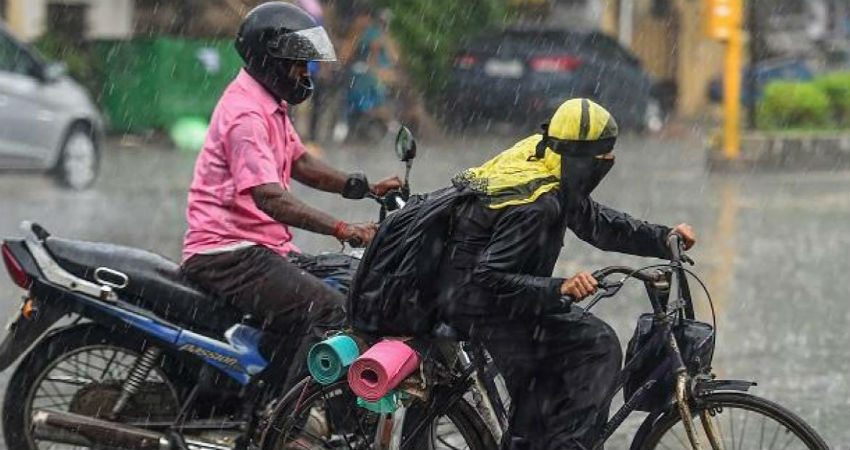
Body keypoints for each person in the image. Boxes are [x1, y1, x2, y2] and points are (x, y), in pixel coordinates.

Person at [438, 98, 697, 450]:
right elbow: (489, 277)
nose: (610, 162)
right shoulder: (539, 204)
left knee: (567, 363)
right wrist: (560, 286)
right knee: (595, 347)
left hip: (504, 295)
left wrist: (663, 238)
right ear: (585, 160)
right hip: (480, 302)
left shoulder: (550, 159)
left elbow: (595, 222)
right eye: (604, 157)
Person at [180, 2, 400, 389]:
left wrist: (363, 187)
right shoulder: (246, 115)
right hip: (227, 254)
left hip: (260, 248)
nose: (305, 72)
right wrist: (342, 228)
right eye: (298, 63)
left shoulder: (269, 103)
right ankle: (291, 423)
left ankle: (267, 393)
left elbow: (300, 163)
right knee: (326, 311)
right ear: (270, 62)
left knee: (348, 284)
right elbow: (270, 198)